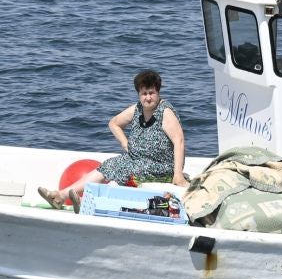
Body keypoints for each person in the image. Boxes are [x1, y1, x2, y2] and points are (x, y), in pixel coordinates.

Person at [38, 70, 185, 210]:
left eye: (151, 93)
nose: (148, 98)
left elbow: (179, 142)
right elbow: (114, 123)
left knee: (125, 170)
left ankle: (88, 201)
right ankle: (61, 196)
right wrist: (125, 144)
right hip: (137, 160)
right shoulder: (137, 109)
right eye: (144, 93)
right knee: (110, 165)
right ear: (139, 94)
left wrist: (178, 175)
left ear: (158, 92)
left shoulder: (165, 112)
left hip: (159, 166)